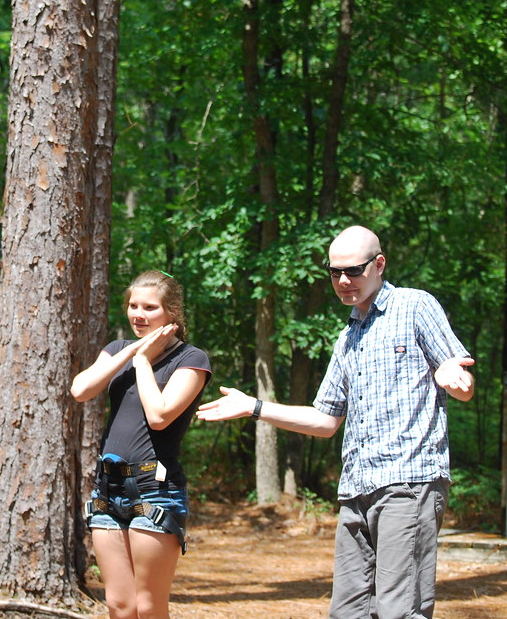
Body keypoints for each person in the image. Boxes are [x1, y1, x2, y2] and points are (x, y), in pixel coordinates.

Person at [196, 225, 475, 619]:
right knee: (347, 612)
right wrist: (254, 407)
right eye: (334, 272)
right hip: (356, 492)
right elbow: (325, 420)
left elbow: (460, 379)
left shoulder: (415, 306)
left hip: (408, 483)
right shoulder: (348, 336)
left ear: (379, 265)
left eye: (355, 270)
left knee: (399, 611)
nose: (344, 281)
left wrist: (453, 377)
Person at [71, 270, 212, 619]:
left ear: (172, 313)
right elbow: (80, 390)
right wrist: (132, 351)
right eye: (133, 305)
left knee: (148, 607)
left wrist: (143, 362)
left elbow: (160, 415)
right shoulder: (118, 349)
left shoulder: (191, 360)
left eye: (150, 307)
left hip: (155, 490)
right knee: (120, 605)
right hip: (107, 488)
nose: (138, 314)